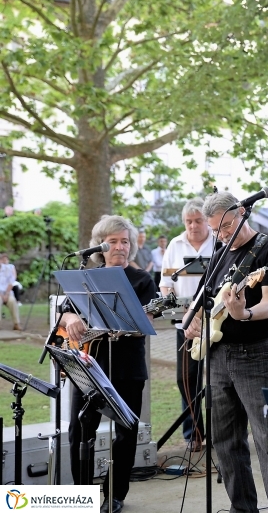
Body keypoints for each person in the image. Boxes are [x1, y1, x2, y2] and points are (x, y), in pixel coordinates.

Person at [182, 191, 268, 513]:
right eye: (215, 230)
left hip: (254, 355)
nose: (222, 234)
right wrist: (191, 320)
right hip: (217, 356)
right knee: (225, 441)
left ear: (242, 213)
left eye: (226, 226)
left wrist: (243, 313)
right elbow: (202, 298)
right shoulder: (220, 254)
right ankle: (242, 508)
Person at [58, 215, 157, 513]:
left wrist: (128, 324)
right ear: (99, 246)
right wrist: (71, 318)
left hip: (128, 367)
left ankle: (114, 493)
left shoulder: (142, 280)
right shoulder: (87, 276)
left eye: (125, 241)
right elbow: (65, 312)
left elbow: (147, 322)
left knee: (126, 432)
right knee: (80, 430)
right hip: (87, 366)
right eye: (113, 241)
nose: (120, 247)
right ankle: (82, 495)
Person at [159, 200, 215, 451]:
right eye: (188, 221)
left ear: (207, 221)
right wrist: (176, 307)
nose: (193, 226)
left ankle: (219, 432)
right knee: (187, 378)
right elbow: (165, 284)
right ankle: (194, 432)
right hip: (186, 323)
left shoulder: (219, 241)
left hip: (217, 321)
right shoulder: (175, 244)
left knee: (218, 380)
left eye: (198, 220)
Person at [0, 253, 21, 330]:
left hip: (7, 292)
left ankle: (16, 323)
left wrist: (7, 294)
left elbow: (11, 281)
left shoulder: (8, 268)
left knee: (13, 301)